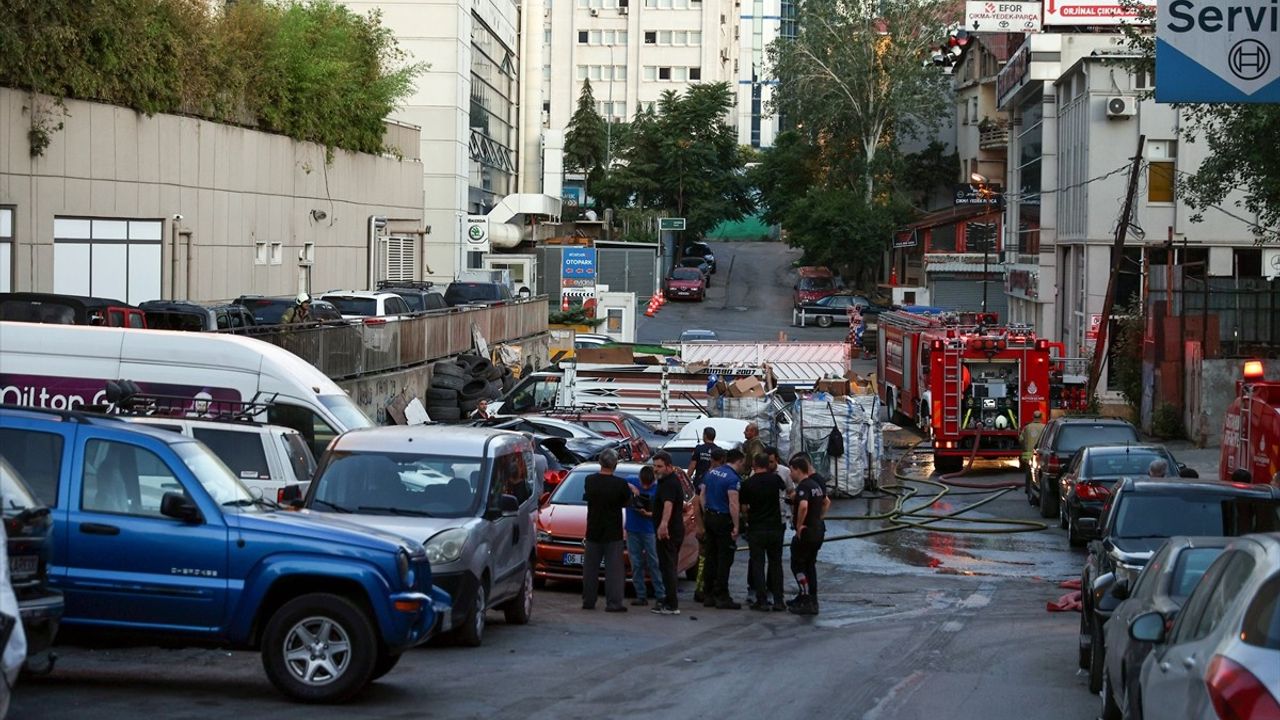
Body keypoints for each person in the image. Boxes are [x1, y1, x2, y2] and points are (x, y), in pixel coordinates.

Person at [582, 450, 632, 612]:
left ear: (600, 463)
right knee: (614, 570)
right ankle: (614, 603)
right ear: (615, 465)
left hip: (593, 529)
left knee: (590, 569)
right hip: (613, 532)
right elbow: (627, 501)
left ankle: (588, 600)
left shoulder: (590, 480)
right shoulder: (620, 484)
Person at [739, 454, 788, 611]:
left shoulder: (748, 483)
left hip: (756, 527)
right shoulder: (775, 479)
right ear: (767, 464)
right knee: (776, 563)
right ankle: (778, 600)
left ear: (754, 464)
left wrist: (747, 520)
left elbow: (744, 507)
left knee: (757, 564)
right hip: (775, 526)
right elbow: (785, 491)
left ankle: (761, 600)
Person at [700, 448, 745, 609]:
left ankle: (708, 593)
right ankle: (722, 595)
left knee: (711, 556)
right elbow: (733, 503)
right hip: (723, 519)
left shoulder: (711, 473)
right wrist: (736, 525)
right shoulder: (733, 478)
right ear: (739, 461)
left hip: (710, 516)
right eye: (743, 463)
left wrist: (706, 512)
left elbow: (702, 495)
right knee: (724, 558)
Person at [788, 454, 831, 616]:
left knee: (798, 565)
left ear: (798, 470)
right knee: (810, 565)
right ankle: (811, 599)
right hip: (817, 530)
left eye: (792, 471)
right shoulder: (816, 485)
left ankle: (805, 598)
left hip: (807, 533)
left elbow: (804, 506)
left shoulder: (804, 487)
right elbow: (826, 502)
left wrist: (799, 525)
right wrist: (818, 518)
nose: (790, 474)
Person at [625, 466, 665, 607]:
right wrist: (632, 488)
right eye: (643, 484)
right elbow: (617, 482)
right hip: (633, 529)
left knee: (654, 562)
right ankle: (641, 595)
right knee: (636, 563)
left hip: (649, 530)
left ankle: (660, 595)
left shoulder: (659, 488)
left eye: (648, 485)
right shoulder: (632, 481)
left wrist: (649, 514)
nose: (645, 487)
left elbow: (663, 510)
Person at [651, 451, 686, 615]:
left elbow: (668, 504)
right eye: (654, 466)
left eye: (659, 466)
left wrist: (663, 525)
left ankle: (672, 604)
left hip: (669, 532)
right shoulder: (665, 481)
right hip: (672, 530)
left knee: (668, 567)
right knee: (667, 566)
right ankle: (668, 600)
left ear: (669, 467)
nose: (655, 469)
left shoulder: (669, 483)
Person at [1019, 410, 1046, 483]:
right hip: (1040, 454)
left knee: (1028, 473)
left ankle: (1028, 487)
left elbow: (1021, 439)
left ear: (1032, 417)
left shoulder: (1027, 427)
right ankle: (1038, 485)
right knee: (1040, 473)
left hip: (1028, 454)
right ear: (1041, 417)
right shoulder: (1045, 427)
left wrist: (1024, 449)